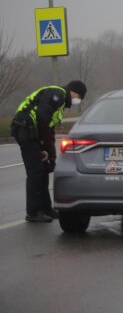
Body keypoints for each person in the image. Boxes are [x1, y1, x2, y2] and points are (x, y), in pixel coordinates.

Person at [11, 80, 87, 222]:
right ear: (75, 92)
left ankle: (46, 208)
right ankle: (33, 212)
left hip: (31, 131)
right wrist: (42, 144)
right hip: (26, 128)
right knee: (35, 172)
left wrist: (51, 156)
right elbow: (42, 117)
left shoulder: (60, 102)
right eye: (80, 97)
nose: (78, 101)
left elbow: (49, 131)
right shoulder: (57, 94)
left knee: (44, 169)